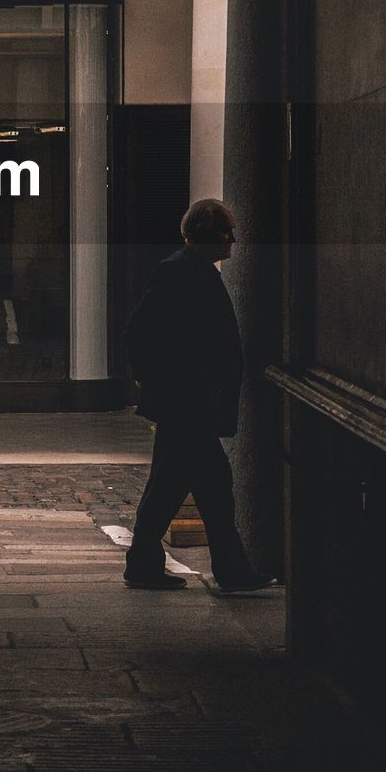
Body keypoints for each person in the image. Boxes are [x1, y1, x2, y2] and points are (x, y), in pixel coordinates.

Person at [122, 198, 274, 593]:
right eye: (228, 233)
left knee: (171, 485)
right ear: (211, 234)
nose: (234, 241)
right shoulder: (180, 273)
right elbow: (140, 334)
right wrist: (166, 383)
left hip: (186, 403)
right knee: (211, 484)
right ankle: (228, 569)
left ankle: (145, 563)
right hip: (186, 403)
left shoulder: (189, 271)